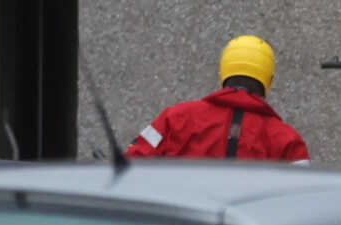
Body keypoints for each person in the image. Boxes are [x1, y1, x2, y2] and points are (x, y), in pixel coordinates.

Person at [126, 35, 310, 161]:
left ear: (224, 71)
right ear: (269, 80)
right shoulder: (286, 140)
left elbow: (133, 163)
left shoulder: (175, 119)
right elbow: (303, 200)